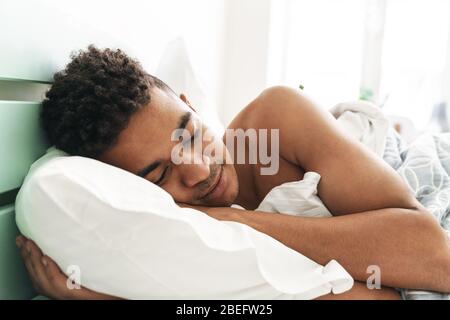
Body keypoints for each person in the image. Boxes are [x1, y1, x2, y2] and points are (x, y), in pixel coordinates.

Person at [16, 46, 450, 300]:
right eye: (159, 175)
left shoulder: (275, 118)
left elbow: (435, 257)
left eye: (188, 133)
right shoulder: (184, 244)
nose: (201, 170)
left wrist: (238, 219)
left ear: (192, 104)